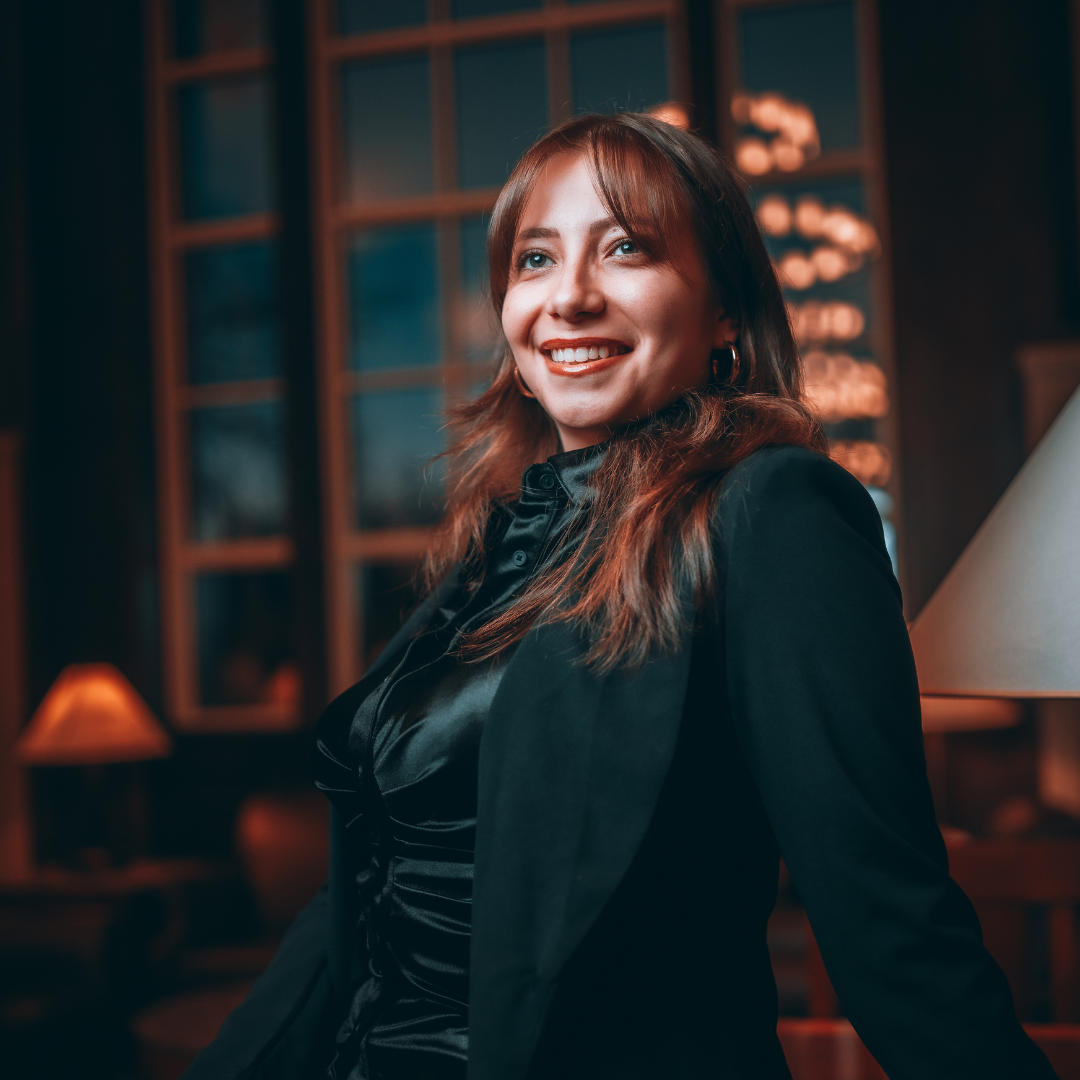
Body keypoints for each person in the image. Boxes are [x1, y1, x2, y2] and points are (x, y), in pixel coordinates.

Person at [184, 113, 1057, 1080]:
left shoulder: (774, 512)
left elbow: (889, 919)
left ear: (724, 310)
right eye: (535, 259)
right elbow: (362, 896)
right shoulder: (501, 537)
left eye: (627, 249)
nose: (571, 297)